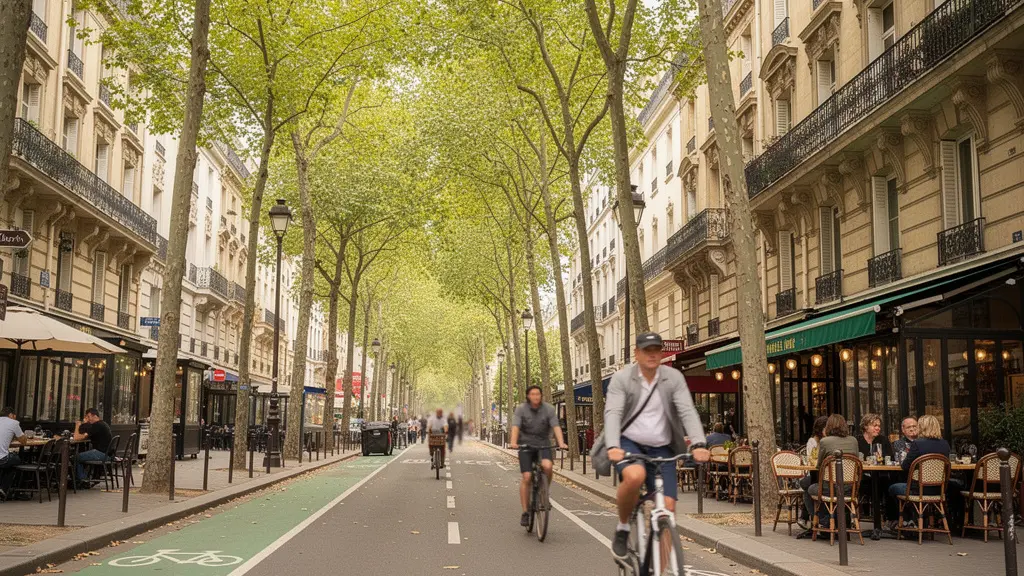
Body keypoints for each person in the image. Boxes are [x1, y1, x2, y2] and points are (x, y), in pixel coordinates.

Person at [604, 332, 710, 560]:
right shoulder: (622, 379)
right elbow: (613, 412)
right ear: (637, 353)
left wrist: (699, 442)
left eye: (656, 350)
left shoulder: (673, 378)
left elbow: (687, 410)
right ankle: (623, 527)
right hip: (629, 443)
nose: (652, 355)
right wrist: (613, 445)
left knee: (668, 509)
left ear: (661, 353)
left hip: (663, 447)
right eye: (646, 350)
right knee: (634, 476)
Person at [886, 414, 963, 529]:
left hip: (918, 490)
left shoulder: (918, 444)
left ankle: (905, 520)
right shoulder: (945, 444)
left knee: (892, 488)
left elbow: (905, 466)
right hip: (939, 489)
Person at [510, 385, 568, 527]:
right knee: (527, 477)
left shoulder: (548, 409)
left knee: (547, 466)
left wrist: (561, 443)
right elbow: (516, 427)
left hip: (543, 444)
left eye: (538, 394)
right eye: (533, 394)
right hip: (526, 445)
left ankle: (544, 492)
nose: (536, 396)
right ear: (528, 396)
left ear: (541, 396)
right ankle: (525, 512)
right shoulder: (521, 409)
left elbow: (556, 426)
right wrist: (513, 442)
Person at [800, 414, 859, 535]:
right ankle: (833, 521)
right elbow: (857, 459)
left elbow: (819, 465)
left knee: (810, 488)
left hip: (831, 487)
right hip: (850, 488)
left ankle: (823, 521)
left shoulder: (825, 441)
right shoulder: (853, 440)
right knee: (808, 483)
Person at [797, 416, 829, 528]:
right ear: (821, 429)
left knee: (806, 486)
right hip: (817, 473)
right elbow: (811, 459)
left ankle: (812, 519)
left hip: (826, 476)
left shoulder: (828, 441)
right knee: (807, 484)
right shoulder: (813, 441)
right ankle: (817, 519)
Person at [73, 408, 113, 486]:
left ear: (94, 416)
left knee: (76, 457)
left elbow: (76, 438)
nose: (87, 419)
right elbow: (84, 434)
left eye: (88, 416)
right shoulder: (102, 424)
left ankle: (83, 481)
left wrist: (77, 425)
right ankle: (84, 477)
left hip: (102, 454)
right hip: (107, 453)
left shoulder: (96, 425)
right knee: (82, 455)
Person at [0, 407, 29, 500]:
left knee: (11, 463)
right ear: (10, 415)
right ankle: (5, 489)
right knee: (17, 460)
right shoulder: (14, 423)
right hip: (2, 459)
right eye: (14, 415)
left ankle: (4, 489)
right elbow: (24, 441)